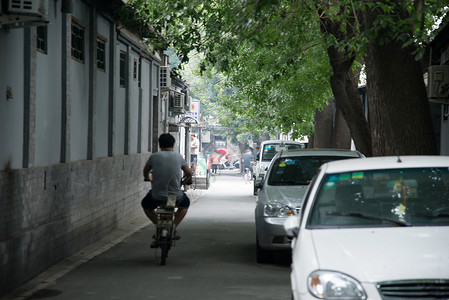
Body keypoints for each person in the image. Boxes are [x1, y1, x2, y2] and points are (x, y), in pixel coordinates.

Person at [142, 133, 193, 242]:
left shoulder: (154, 156)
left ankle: (158, 226)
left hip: (156, 197)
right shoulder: (178, 157)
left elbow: (146, 170)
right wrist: (189, 179)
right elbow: (189, 172)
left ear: (160, 145)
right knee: (185, 205)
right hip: (175, 198)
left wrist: (148, 177)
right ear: (173, 145)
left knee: (146, 205)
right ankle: (173, 228)